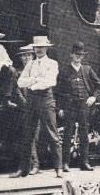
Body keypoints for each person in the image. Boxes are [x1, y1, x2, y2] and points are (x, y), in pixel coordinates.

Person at [13, 36, 63, 178]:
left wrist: (32, 83)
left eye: (41, 47)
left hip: (46, 100)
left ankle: (58, 168)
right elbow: (20, 82)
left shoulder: (52, 63)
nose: (39, 50)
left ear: (46, 48)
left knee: (52, 134)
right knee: (27, 134)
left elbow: (50, 81)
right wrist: (35, 80)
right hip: (31, 101)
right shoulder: (30, 64)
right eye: (36, 47)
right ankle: (23, 169)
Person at [57, 41, 100, 172]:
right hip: (69, 105)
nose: (78, 57)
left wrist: (93, 97)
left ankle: (84, 162)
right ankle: (65, 163)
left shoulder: (87, 69)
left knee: (84, 134)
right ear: (71, 55)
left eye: (81, 55)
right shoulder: (64, 71)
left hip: (84, 105)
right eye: (76, 54)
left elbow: (99, 85)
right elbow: (58, 91)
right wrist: (59, 108)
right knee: (67, 133)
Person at [13, 45, 40, 174]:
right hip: (24, 108)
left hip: (37, 107)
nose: (26, 58)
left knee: (35, 136)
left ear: (33, 56)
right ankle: (31, 165)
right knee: (26, 136)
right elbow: (16, 90)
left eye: (29, 55)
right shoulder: (18, 73)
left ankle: (33, 165)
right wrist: (25, 103)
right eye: (24, 56)